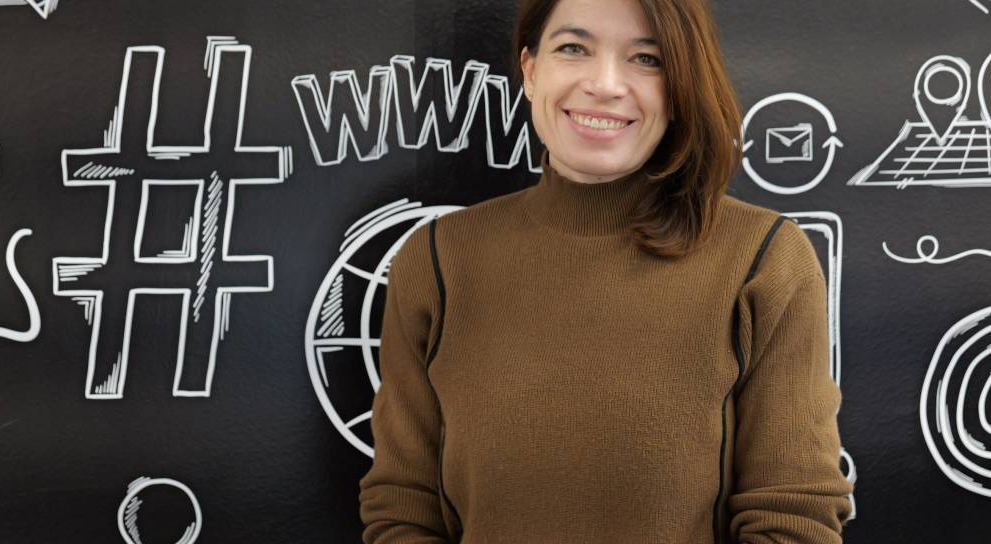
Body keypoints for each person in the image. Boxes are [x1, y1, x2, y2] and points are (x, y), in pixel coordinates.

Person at [358, 0, 854, 542]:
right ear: (530, 69)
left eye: (647, 59)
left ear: (679, 88)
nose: (605, 85)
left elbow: (794, 518)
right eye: (574, 48)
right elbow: (403, 507)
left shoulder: (764, 260)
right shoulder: (437, 259)